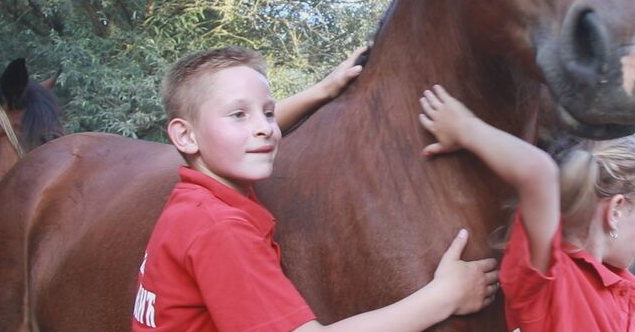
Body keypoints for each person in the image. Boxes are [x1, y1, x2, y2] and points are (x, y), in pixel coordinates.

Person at [132, 47, 499, 331]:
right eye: (239, 115)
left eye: (268, 113)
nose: (264, 129)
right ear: (185, 135)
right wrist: (444, 297)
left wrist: (323, 90)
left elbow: (248, 130)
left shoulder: (196, 201)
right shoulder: (219, 229)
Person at [418, 84, 635, 332]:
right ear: (616, 211)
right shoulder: (551, 279)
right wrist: (464, 127)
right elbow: (538, 173)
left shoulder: (615, 291)